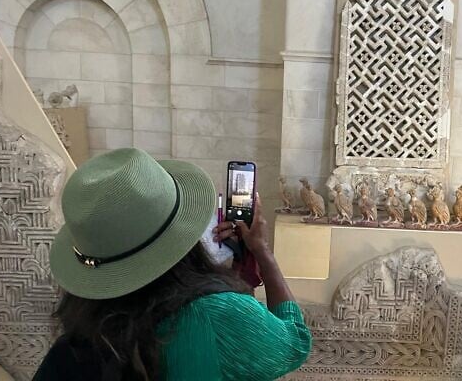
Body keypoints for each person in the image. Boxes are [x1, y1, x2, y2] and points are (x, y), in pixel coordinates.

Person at [33, 148, 312, 380]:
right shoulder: (216, 315)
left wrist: (237, 267)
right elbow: (294, 342)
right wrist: (262, 251)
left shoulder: (71, 349)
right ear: (184, 231)